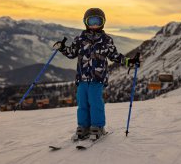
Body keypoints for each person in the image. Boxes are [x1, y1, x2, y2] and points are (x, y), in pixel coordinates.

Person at [53, 8, 140, 140]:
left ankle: (97, 126)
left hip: (97, 78)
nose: (94, 25)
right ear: (85, 22)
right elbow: (71, 53)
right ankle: (83, 126)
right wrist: (63, 48)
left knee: (95, 102)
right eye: (91, 21)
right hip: (82, 78)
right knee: (82, 103)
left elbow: (114, 55)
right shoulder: (80, 39)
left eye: (97, 21)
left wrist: (129, 61)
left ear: (103, 22)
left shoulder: (106, 40)